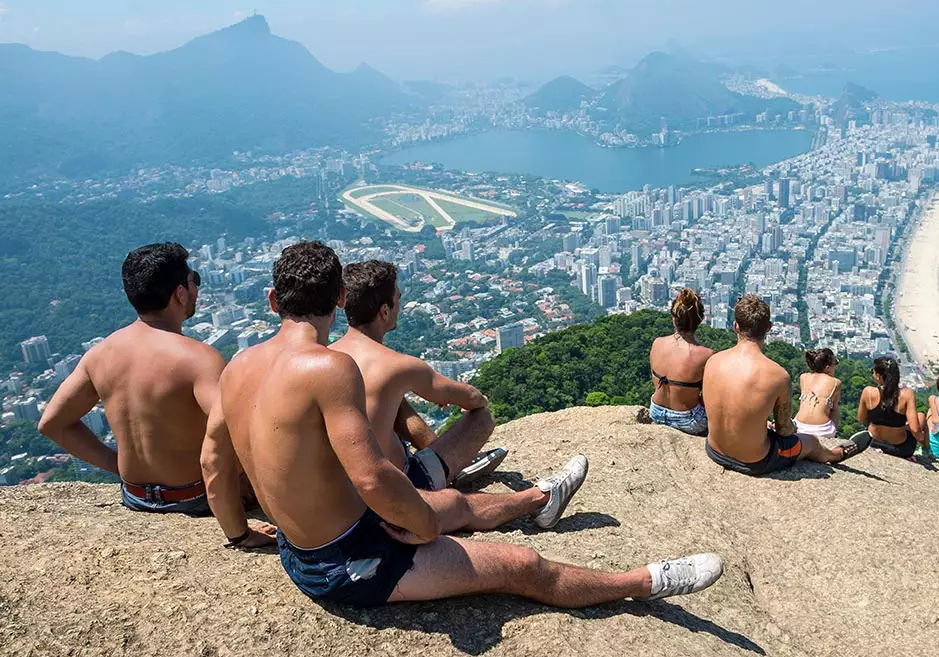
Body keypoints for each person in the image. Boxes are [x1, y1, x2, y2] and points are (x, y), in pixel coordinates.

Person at [218, 241, 724, 608]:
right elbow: (372, 477)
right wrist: (421, 526)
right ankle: (643, 582)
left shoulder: (236, 367)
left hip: (304, 544)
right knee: (524, 567)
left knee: (457, 502)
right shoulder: (327, 367)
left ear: (271, 299)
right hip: (349, 563)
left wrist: (240, 534)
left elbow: (212, 460)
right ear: (338, 302)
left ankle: (538, 500)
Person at [37, 243, 273, 546]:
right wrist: (241, 521)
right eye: (194, 280)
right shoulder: (199, 360)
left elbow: (52, 423)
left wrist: (116, 464)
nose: (196, 288)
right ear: (179, 293)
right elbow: (240, 432)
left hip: (134, 496)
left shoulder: (100, 354)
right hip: (193, 498)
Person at [330, 260, 571, 533]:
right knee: (482, 419)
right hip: (403, 485)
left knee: (393, 401)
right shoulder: (397, 365)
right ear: (384, 311)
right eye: (398, 299)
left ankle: (450, 468)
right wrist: (473, 402)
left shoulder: (329, 359)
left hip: (345, 495)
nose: (400, 305)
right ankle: (542, 498)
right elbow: (472, 398)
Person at [703, 295, 869, 476]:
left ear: (735, 326)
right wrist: (791, 428)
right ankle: (836, 454)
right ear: (769, 328)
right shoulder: (777, 376)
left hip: (714, 450)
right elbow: (784, 431)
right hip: (755, 460)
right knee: (810, 442)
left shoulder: (713, 361)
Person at [647, 288, 714, 435]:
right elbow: (710, 396)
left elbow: (654, 380)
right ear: (700, 319)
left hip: (656, 411)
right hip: (688, 420)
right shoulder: (706, 355)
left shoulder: (657, 343)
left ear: (673, 317)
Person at [855, 356, 926, 459]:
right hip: (899, 449)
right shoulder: (907, 394)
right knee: (920, 416)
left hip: (873, 443)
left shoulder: (868, 392)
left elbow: (861, 419)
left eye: (872, 372)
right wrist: (922, 439)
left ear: (879, 376)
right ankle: (927, 450)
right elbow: (915, 429)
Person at [792, 348, 841, 438]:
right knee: (835, 409)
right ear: (828, 367)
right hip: (822, 429)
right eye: (835, 363)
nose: (836, 366)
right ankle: (833, 435)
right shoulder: (835, 383)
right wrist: (833, 427)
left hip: (799, 426)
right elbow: (834, 409)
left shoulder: (803, 377)